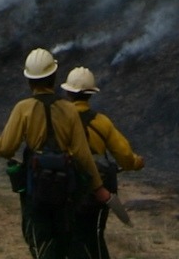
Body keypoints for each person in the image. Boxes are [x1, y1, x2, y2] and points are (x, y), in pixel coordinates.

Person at [0, 47, 110, 258]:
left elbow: (7, 147)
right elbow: (82, 155)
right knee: (68, 240)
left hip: (35, 188)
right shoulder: (68, 109)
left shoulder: (23, 108)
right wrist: (99, 188)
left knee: (41, 242)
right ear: (54, 76)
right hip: (66, 190)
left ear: (29, 80)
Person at [60, 66, 143, 259]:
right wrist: (137, 163)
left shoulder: (59, 120)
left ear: (67, 92)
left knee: (71, 237)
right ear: (90, 94)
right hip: (98, 190)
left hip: (65, 187)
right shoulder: (101, 122)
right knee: (94, 236)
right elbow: (124, 155)